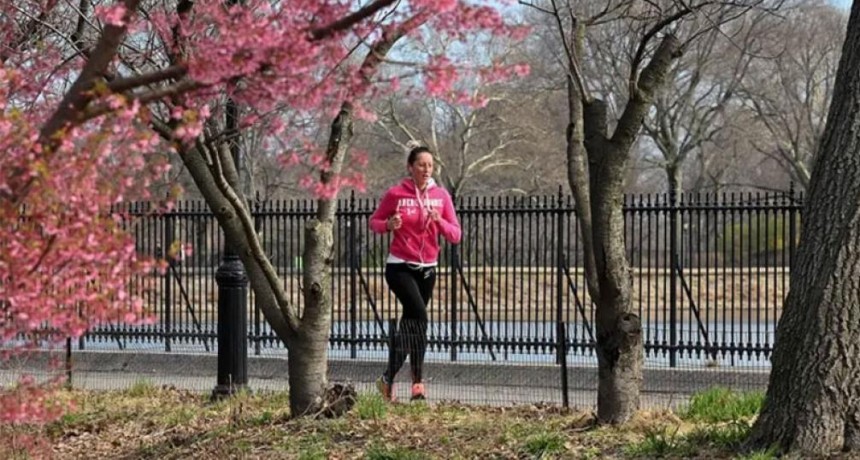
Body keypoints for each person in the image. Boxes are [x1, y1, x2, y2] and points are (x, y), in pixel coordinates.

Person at [369, 142, 461, 401]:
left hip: (428, 268)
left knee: (412, 325)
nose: (426, 169)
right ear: (411, 167)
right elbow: (373, 223)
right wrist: (389, 224)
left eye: (430, 165)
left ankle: (402, 382)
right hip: (400, 266)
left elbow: (456, 234)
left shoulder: (441, 196)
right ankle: (403, 380)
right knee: (419, 316)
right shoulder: (396, 194)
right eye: (421, 164)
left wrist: (439, 220)